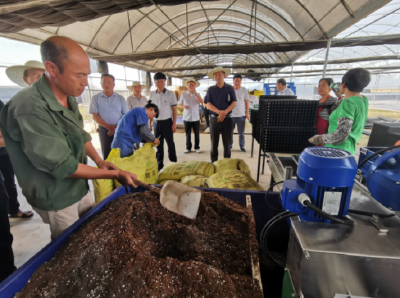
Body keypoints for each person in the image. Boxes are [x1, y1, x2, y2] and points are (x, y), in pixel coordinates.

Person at [0, 36, 138, 239]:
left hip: (79, 184)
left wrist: (99, 161)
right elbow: (63, 166)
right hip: (56, 194)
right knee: (70, 246)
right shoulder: (29, 107)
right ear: (52, 69)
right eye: (79, 75)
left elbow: (80, 134)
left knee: (91, 232)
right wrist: (114, 175)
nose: (85, 82)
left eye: (87, 75)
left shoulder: (68, 95)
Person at [1, 61, 46, 219]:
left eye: (43, 74)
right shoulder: (19, 103)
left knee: (9, 182)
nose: (40, 78)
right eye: (35, 75)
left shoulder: (50, 100)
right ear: (26, 78)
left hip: (8, 153)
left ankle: (13, 209)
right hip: (36, 161)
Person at [309, 68, 371, 155]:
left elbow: (341, 134)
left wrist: (321, 138)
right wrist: (340, 96)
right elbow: (347, 108)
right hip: (348, 150)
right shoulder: (363, 100)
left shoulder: (348, 102)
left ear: (344, 84)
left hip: (337, 151)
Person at [90, 74, 129, 160]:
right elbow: (95, 116)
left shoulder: (120, 98)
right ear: (101, 84)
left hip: (119, 129)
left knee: (121, 153)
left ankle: (121, 172)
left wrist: (115, 127)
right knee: (107, 154)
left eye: (109, 82)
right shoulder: (95, 98)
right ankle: (109, 173)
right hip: (104, 131)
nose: (106, 84)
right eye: (104, 82)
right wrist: (109, 127)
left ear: (113, 85)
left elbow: (125, 116)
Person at [206, 67, 237, 163]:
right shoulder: (210, 89)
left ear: (224, 76)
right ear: (214, 78)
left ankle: (226, 162)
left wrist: (225, 112)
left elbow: (234, 102)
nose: (217, 77)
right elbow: (208, 104)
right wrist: (220, 112)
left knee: (227, 143)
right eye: (215, 75)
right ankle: (214, 162)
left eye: (219, 75)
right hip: (214, 119)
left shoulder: (230, 88)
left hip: (227, 119)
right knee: (214, 142)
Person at [149, 72, 178, 170]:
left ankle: (173, 164)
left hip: (167, 123)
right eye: (158, 82)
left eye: (162, 82)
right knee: (158, 145)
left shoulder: (170, 94)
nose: (160, 84)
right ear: (155, 82)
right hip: (157, 124)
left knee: (170, 144)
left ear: (165, 82)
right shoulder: (152, 94)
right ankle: (159, 165)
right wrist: (150, 123)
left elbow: (174, 109)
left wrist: (174, 124)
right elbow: (151, 110)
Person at [178, 78, 204, 154]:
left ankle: (197, 147)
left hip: (196, 117)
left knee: (197, 133)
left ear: (195, 86)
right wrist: (184, 107)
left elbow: (202, 102)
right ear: (187, 86)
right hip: (187, 117)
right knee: (188, 133)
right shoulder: (183, 94)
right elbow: (179, 105)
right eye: (190, 85)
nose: (191, 86)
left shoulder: (198, 94)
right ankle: (188, 147)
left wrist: (195, 94)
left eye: (193, 85)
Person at [231, 74, 250, 153]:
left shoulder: (244, 90)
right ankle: (229, 146)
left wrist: (247, 113)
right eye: (236, 81)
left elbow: (246, 102)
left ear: (241, 81)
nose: (237, 82)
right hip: (231, 115)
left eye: (239, 81)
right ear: (233, 81)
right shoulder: (230, 89)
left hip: (241, 115)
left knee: (241, 133)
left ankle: (242, 146)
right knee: (230, 132)